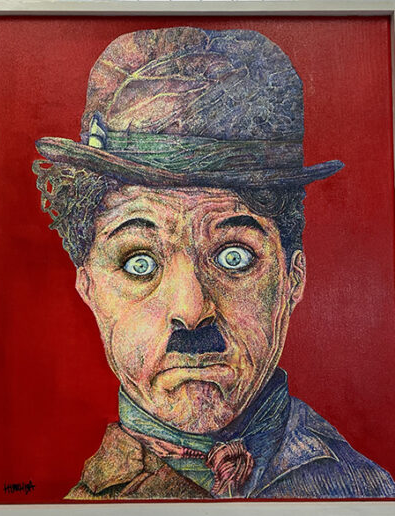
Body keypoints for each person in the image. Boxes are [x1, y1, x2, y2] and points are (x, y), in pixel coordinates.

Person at [33, 27, 395, 500]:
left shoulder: (367, 492)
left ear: (293, 278)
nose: (191, 311)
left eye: (233, 257)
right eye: (139, 263)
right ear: (88, 287)